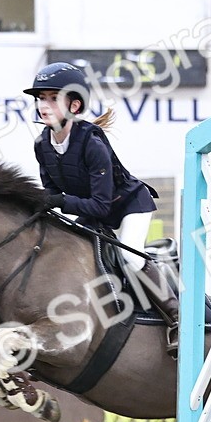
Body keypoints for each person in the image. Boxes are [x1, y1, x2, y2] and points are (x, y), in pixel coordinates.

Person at [24, 62, 180, 355]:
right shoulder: (41, 144)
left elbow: (99, 204)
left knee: (128, 256)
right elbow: (51, 194)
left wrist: (57, 202)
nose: (43, 106)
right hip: (95, 208)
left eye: (51, 98)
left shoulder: (92, 143)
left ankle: (176, 316)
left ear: (74, 104)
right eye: (40, 98)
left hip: (128, 205)